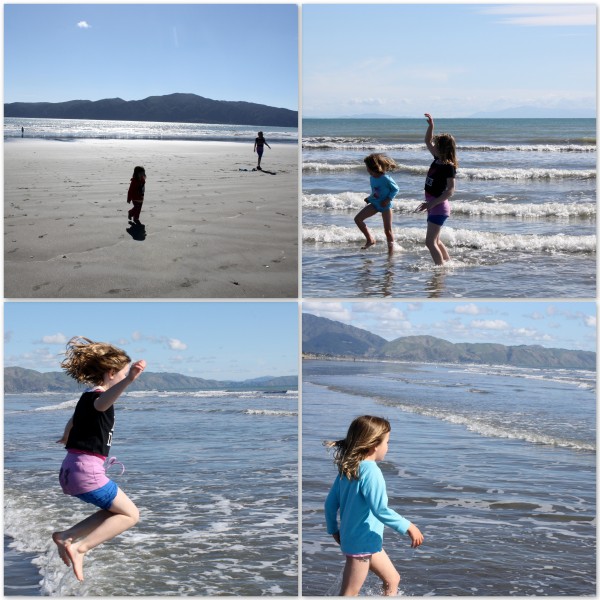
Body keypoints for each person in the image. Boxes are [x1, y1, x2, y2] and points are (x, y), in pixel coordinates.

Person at [52, 336, 146, 582]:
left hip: (70, 470)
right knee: (131, 515)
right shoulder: (99, 397)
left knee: (114, 511)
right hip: (86, 472)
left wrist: (65, 437)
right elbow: (103, 404)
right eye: (122, 373)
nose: (125, 376)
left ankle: (66, 536)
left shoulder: (85, 396)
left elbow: (73, 422)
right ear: (112, 372)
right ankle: (79, 548)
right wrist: (129, 380)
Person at [324, 415, 424, 596]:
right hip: (362, 543)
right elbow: (380, 509)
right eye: (388, 442)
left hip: (363, 540)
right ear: (374, 445)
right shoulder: (371, 472)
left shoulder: (349, 468)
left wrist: (334, 530)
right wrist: (408, 526)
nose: (388, 447)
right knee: (349, 593)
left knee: (392, 579)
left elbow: (330, 504)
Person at [416, 114, 458, 265]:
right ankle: (447, 262)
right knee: (436, 240)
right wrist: (431, 126)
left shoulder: (448, 166)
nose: (433, 145)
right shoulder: (437, 159)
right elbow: (427, 141)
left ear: (442, 148)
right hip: (433, 205)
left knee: (430, 242)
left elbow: (450, 190)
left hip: (439, 206)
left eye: (437, 144)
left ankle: (439, 270)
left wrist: (431, 204)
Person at [354, 154, 399, 253]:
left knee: (388, 230)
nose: (367, 170)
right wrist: (369, 198)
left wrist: (388, 199)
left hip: (386, 206)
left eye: (367, 168)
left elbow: (396, 189)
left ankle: (391, 251)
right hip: (375, 204)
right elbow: (376, 192)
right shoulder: (372, 178)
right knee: (358, 219)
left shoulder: (386, 178)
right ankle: (370, 239)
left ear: (373, 167)